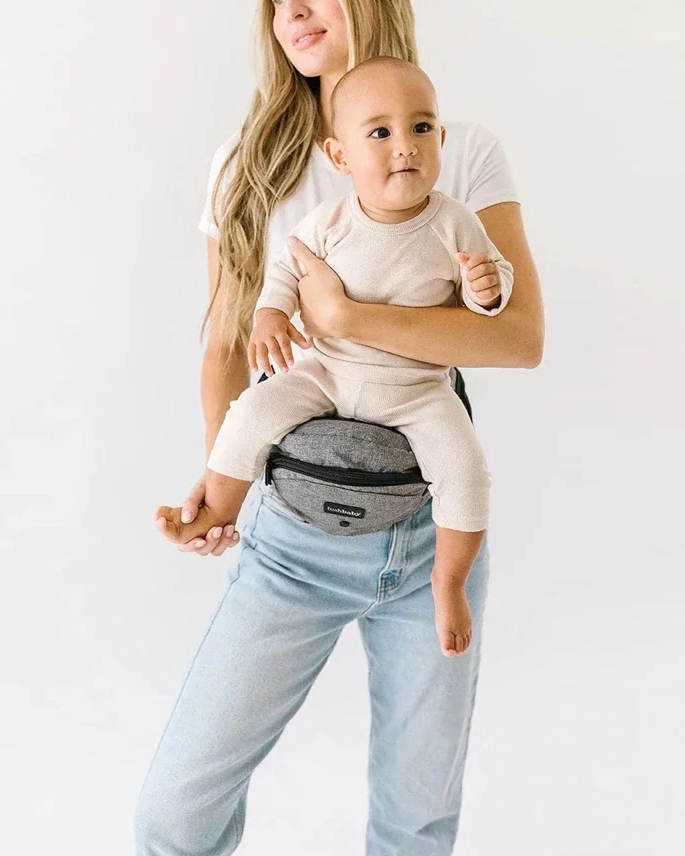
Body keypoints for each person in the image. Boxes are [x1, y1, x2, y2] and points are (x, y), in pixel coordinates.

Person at [135, 0, 544, 856]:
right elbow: (225, 346)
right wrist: (221, 480)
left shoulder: (455, 148)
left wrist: (350, 320)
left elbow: (518, 338)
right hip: (290, 545)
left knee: (416, 824)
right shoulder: (254, 167)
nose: (293, 9)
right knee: (175, 814)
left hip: (428, 542)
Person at [155, 55, 515, 658]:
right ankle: (218, 510)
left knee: (466, 468)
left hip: (418, 388)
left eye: (421, 128)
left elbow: (495, 292)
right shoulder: (330, 221)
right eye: (380, 133)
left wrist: (487, 288)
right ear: (341, 157)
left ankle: (448, 581)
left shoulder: (452, 222)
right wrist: (270, 313)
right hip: (328, 371)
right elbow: (285, 271)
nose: (405, 146)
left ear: (442, 141)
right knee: (253, 411)